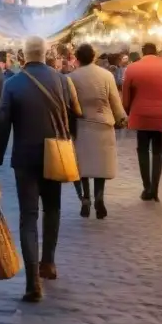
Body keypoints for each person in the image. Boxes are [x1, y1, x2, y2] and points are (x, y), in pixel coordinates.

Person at [0, 35, 80, 302]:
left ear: (23, 55)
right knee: (52, 208)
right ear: (46, 54)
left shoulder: (12, 83)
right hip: (55, 154)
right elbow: (75, 115)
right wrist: (68, 142)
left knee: (28, 216)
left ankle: (32, 281)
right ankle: (49, 263)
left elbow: (1, 124)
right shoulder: (64, 80)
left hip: (25, 157)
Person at [69, 43, 126, 219]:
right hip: (103, 123)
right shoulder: (106, 75)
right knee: (101, 165)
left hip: (81, 125)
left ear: (77, 58)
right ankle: (99, 197)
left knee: (82, 165)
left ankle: (86, 198)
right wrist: (121, 118)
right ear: (94, 56)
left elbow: (69, 104)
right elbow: (115, 101)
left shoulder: (71, 77)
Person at [121, 42, 162, 201]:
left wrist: (129, 112)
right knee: (157, 152)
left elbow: (126, 95)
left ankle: (147, 187)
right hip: (161, 115)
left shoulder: (133, 68)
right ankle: (155, 189)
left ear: (143, 52)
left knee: (142, 150)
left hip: (141, 116)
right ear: (156, 52)